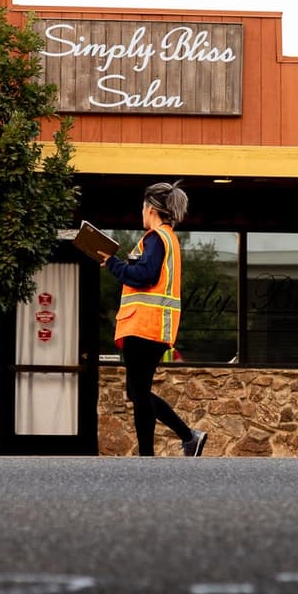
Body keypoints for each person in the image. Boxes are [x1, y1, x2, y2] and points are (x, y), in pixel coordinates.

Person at [99, 182, 207, 457]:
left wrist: (113, 263)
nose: (141, 213)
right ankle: (165, 447)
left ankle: (179, 439)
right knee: (138, 392)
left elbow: (145, 275)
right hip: (153, 327)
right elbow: (147, 273)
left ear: (151, 208)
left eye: (143, 208)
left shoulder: (156, 238)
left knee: (138, 393)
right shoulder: (167, 238)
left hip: (145, 326)